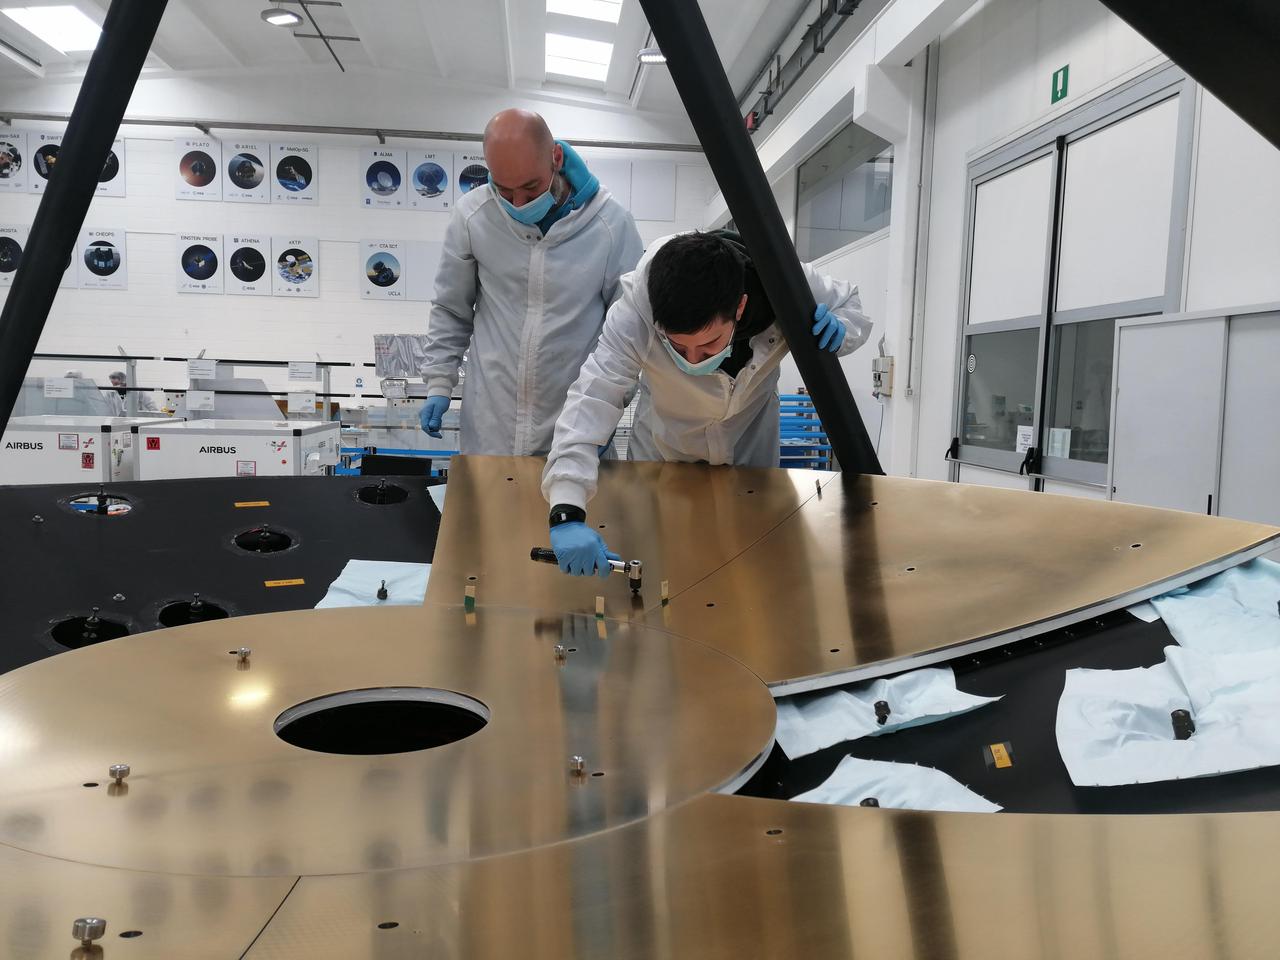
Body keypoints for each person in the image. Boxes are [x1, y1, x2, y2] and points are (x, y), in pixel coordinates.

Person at [540, 230, 872, 577]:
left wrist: (843, 329)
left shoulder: (785, 280)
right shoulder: (639, 308)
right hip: (662, 454)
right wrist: (567, 508)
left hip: (750, 456)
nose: (694, 361)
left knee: (752, 578)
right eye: (679, 349)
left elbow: (851, 305)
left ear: (740, 306)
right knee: (660, 576)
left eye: (710, 343)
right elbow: (594, 395)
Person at [418, 108, 642, 455]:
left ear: (555, 158)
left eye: (530, 187)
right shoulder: (474, 217)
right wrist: (438, 382)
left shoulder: (610, 226)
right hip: (491, 428)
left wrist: (606, 413)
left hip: (576, 425)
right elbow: (451, 309)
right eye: (504, 191)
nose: (519, 204)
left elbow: (629, 331)